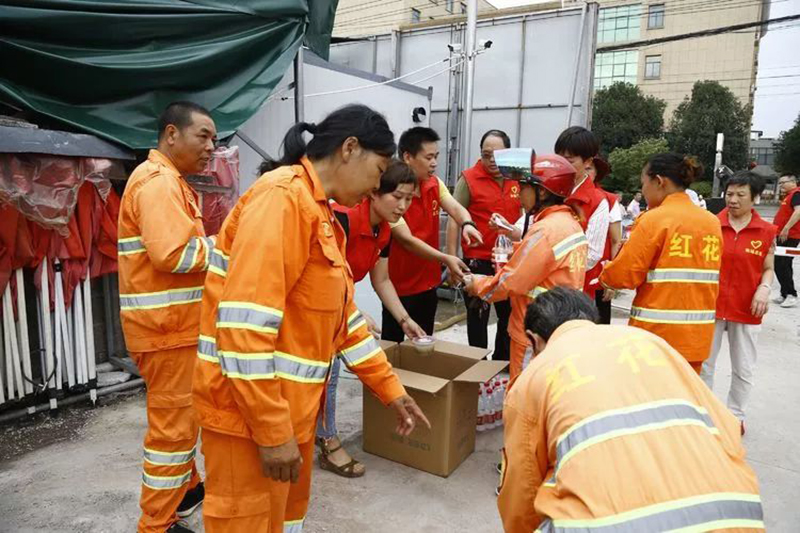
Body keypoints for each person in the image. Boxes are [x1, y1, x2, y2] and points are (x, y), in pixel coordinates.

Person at [192, 105, 429, 533]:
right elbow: (244, 330)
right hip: (250, 423)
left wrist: (390, 390)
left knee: (286, 521)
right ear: (349, 149)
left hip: (290, 417)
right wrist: (271, 432)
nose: (378, 183)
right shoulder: (282, 200)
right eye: (378, 170)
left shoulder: (321, 214)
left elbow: (343, 321)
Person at [497, 287, 764, 532]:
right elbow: (728, 432)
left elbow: (523, 492)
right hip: (736, 518)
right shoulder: (653, 344)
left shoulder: (534, 377)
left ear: (534, 340)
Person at [118, 101, 216, 533]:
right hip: (167, 334)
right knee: (172, 434)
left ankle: (187, 489)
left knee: (183, 422)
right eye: (204, 136)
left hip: (172, 330)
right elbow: (174, 254)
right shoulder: (158, 184)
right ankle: (155, 524)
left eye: (215, 139)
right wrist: (230, 246)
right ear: (172, 134)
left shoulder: (168, 181)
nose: (212, 147)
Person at [315, 160, 427, 478]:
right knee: (329, 372)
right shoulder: (342, 219)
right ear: (375, 193)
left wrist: (404, 318)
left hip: (338, 305)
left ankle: (317, 432)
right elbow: (324, 276)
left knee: (328, 371)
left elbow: (382, 280)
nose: (404, 206)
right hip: (320, 305)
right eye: (398, 197)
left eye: (409, 198)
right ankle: (328, 441)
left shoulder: (385, 229)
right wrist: (351, 308)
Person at [463, 152, 588, 381]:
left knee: (522, 392)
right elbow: (548, 264)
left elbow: (512, 281)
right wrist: (518, 251)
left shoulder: (545, 230)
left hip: (532, 329)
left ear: (541, 191)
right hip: (556, 327)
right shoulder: (569, 224)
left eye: (523, 187)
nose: (518, 194)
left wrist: (477, 285)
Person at [600, 153, 723, 373]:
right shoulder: (712, 223)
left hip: (656, 339)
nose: (643, 190)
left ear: (659, 181)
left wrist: (605, 274)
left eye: (644, 183)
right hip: (697, 340)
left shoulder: (654, 220)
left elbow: (623, 276)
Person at [383, 127, 482, 341]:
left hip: (428, 282)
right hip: (398, 286)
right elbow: (406, 240)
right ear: (408, 157)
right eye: (428, 157)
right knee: (394, 345)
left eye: (436, 156)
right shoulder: (393, 191)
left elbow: (455, 208)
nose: (434, 163)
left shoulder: (434, 184)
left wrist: (467, 223)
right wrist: (446, 258)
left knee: (423, 341)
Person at [701, 171, 776, 436]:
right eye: (729, 194)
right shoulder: (710, 224)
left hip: (747, 306)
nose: (732, 200)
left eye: (740, 195)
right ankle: (704, 414)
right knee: (705, 365)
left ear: (755, 198)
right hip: (711, 304)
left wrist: (764, 289)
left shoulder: (766, 231)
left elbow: (768, 267)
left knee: (743, 368)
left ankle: (735, 416)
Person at [446, 129, 520, 361]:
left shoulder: (517, 177)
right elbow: (453, 218)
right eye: (486, 155)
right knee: (478, 315)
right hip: (477, 260)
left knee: (508, 314)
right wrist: (452, 260)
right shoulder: (468, 178)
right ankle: (478, 365)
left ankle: (501, 362)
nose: (492, 161)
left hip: (509, 260)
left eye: (497, 155)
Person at [556, 127, 610, 304]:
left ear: (588, 161)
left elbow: (592, 255)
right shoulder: (548, 190)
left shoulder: (597, 202)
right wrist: (512, 230)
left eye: (569, 161)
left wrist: (549, 264)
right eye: (559, 159)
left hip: (577, 293)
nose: (562, 166)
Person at [773, 174, 800, 308]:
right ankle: (784, 293)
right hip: (782, 234)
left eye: (783, 182)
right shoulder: (789, 196)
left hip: (790, 235)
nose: (781, 185)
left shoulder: (797, 194)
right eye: (780, 183)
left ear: (793, 182)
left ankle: (791, 294)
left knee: (783, 264)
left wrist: (786, 228)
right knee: (779, 264)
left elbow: (798, 211)